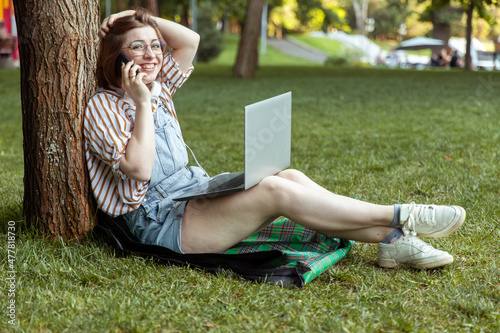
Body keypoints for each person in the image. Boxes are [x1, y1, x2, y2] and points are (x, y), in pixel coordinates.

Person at [85, 8, 466, 271]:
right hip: (161, 223)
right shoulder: (105, 106)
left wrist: (135, 17)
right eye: (137, 46)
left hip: (193, 193)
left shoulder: (159, 86)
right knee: (274, 192)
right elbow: (139, 168)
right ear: (116, 55)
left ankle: (393, 240)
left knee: (290, 177)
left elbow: (190, 40)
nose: (152, 54)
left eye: (155, 45)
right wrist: (142, 103)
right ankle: (403, 215)